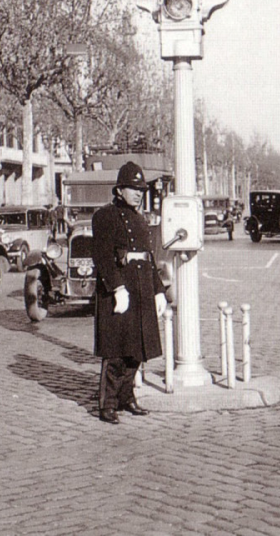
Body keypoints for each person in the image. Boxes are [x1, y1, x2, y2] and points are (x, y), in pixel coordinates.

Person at [91, 161, 167, 425]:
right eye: (132, 188)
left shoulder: (140, 218)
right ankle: (107, 404)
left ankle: (126, 397)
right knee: (115, 351)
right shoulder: (105, 216)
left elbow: (149, 258)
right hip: (120, 290)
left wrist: (158, 290)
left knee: (136, 349)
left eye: (141, 189)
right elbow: (101, 257)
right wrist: (117, 288)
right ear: (119, 189)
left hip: (142, 288)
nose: (138, 193)